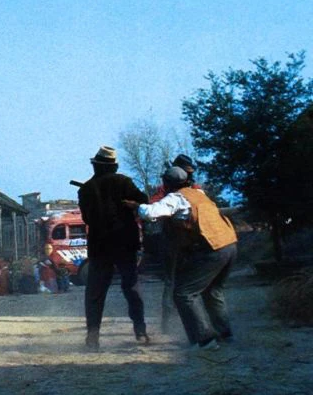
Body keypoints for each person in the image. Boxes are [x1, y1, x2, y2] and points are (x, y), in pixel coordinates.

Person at [125, 167, 238, 351]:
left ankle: (205, 340)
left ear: (167, 184)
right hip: (230, 244)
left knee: (184, 293)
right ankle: (226, 335)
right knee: (212, 291)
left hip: (212, 248)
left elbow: (150, 213)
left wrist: (136, 206)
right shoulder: (199, 194)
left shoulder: (176, 198)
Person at [77, 146, 149, 351]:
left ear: (95, 165)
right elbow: (144, 202)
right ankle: (140, 331)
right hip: (125, 243)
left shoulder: (86, 189)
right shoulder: (124, 182)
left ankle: (93, 336)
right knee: (132, 288)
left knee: (95, 292)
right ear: (114, 166)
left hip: (100, 246)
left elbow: (87, 218)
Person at [148, 154, 203, 334]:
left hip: (192, 242)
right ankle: (168, 326)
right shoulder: (166, 191)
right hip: (173, 242)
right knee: (172, 284)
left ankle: (194, 323)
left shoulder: (195, 189)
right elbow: (153, 207)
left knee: (190, 284)